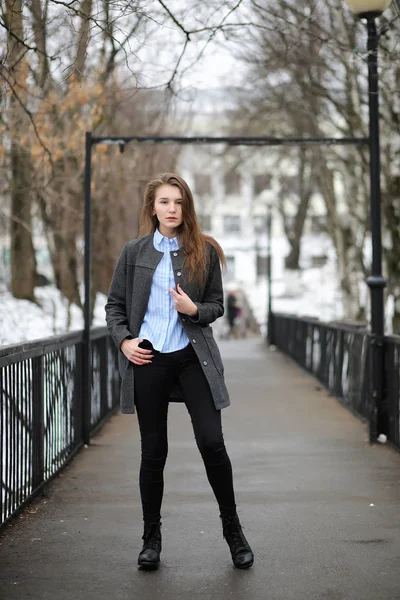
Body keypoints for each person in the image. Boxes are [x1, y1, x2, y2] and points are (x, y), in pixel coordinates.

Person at [105, 173, 254, 571]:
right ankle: (150, 538)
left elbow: (216, 306)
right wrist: (124, 341)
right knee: (154, 451)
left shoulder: (203, 252)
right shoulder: (133, 252)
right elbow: (114, 307)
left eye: (179, 202)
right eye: (165, 202)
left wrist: (194, 311)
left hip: (193, 358)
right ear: (152, 208)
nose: (172, 209)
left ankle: (233, 531)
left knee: (211, 443)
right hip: (149, 359)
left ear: (186, 207)